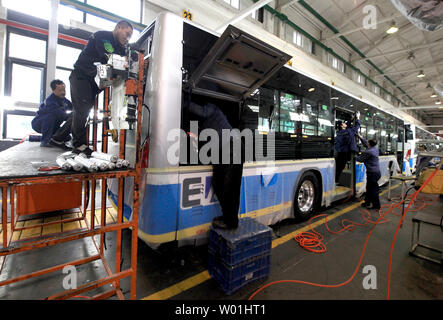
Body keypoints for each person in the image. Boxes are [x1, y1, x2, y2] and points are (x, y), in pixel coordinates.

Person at [70, 20, 133, 157]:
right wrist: (123, 63)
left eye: (130, 36)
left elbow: (123, 63)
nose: (127, 38)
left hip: (95, 82)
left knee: (82, 110)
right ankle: (78, 145)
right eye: (126, 33)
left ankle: (57, 138)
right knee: (82, 109)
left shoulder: (122, 48)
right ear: (118, 27)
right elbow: (108, 58)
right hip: (81, 76)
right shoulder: (102, 37)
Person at [186, 101, 244, 230]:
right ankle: (228, 218)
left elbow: (198, 110)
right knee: (219, 184)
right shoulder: (208, 125)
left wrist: (184, 102)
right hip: (224, 151)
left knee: (229, 188)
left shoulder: (212, 108)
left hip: (231, 149)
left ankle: (231, 222)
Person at [31, 79, 73, 149]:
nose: (63, 92)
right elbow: (60, 115)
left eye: (64, 90)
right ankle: (45, 141)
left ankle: (52, 138)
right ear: (53, 90)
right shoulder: (50, 101)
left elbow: (73, 107)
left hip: (54, 126)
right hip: (39, 124)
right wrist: (71, 117)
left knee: (68, 138)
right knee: (51, 115)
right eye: (60, 90)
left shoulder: (64, 100)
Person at [334, 112, 361, 184]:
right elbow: (356, 127)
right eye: (343, 123)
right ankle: (337, 180)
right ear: (342, 126)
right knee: (341, 167)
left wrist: (351, 119)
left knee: (338, 166)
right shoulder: (348, 132)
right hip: (346, 152)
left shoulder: (339, 133)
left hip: (339, 152)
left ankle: (336, 180)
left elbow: (347, 125)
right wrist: (358, 118)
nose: (345, 123)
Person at [357, 138, 381, 210]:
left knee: (373, 190)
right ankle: (367, 202)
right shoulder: (375, 149)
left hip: (372, 173)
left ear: (369, 144)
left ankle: (376, 206)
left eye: (367, 142)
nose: (366, 143)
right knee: (369, 188)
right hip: (377, 172)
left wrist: (353, 155)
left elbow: (359, 159)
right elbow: (365, 142)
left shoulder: (369, 152)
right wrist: (359, 136)